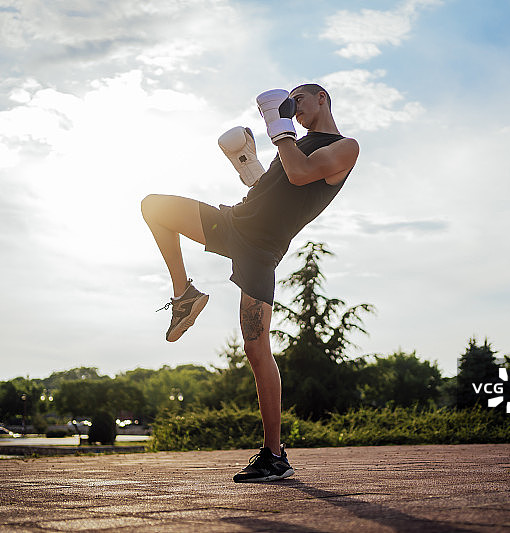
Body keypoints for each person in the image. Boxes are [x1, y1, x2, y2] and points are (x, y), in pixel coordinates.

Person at [141, 83, 359, 482]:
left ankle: (274, 455)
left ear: (322, 99)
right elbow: (269, 189)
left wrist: (279, 126)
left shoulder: (344, 147)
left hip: (260, 250)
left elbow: (300, 175)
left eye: (299, 101)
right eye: (287, 105)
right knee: (153, 206)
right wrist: (248, 164)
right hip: (231, 223)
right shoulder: (288, 144)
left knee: (257, 351)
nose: (293, 110)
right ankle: (183, 294)